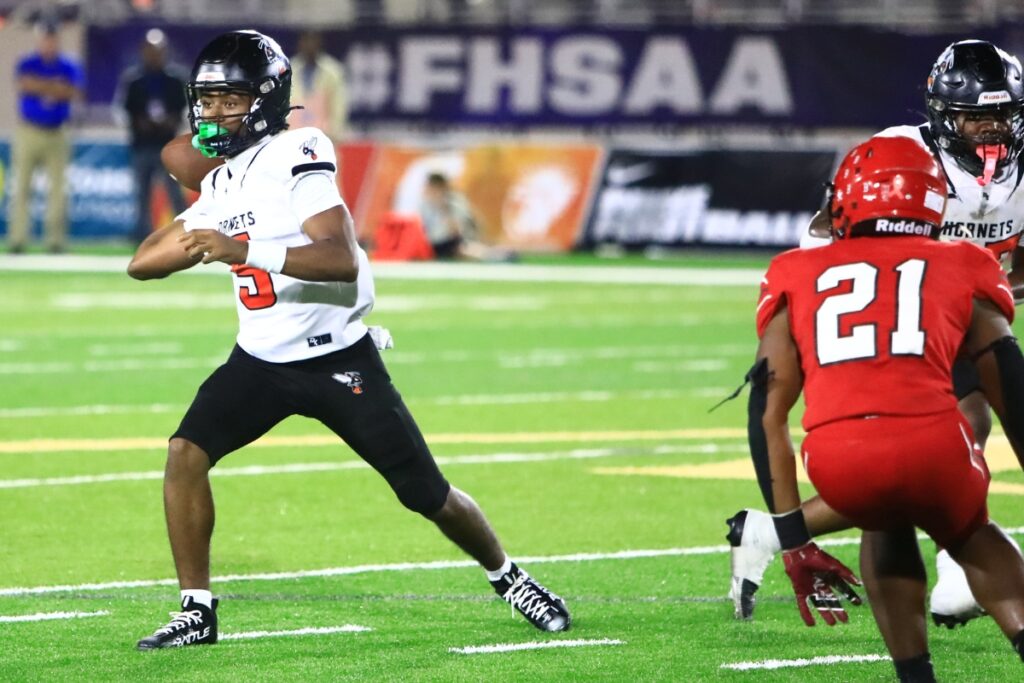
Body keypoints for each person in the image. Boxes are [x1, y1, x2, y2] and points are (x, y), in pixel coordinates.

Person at [127, 30, 570, 650]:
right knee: (184, 455)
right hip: (259, 360)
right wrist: (197, 222)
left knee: (427, 495)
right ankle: (196, 610)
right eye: (205, 100)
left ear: (267, 99)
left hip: (336, 357)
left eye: (230, 99)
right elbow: (142, 262)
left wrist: (239, 244)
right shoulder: (223, 187)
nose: (213, 113)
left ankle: (511, 577)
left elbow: (338, 259)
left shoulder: (299, 149)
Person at [728, 38, 1024, 628]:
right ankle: (953, 568)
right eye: (975, 117)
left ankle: (770, 531)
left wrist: (990, 289)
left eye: (1003, 115)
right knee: (949, 432)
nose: (991, 131)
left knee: (963, 429)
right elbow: (825, 231)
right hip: (891, 315)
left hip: (957, 310)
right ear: (942, 116)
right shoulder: (895, 152)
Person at [8, 20, 83, 254]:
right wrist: (54, 87)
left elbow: (72, 91)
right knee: (21, 188)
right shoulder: (28, 62)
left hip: (57, 131)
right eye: (45, 39)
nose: (49, 44)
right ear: (40, 41)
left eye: (52, 39)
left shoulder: (68, 65)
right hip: (29, 130)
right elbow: (24, 84)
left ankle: (55, 241)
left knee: (58, 190)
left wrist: (42, 86)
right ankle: (18, 240)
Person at [115, 28, 189, 244]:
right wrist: (141, 123)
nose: (154, 55)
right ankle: (141, 235)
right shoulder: (134, 80)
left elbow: (184, 109)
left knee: (174, 192)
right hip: (142, 144)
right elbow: (124, 110)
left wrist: (170, 121)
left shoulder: (175, 79)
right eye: (151, 50)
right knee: (141, 194)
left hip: (169, 146)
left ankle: (186, 231)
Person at [419, 172, 516, 262]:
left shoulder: (454, 201)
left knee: (464, 248)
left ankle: (498, 255)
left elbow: (459, 227)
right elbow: (423, 229)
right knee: (464, 249)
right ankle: (496, 255)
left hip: (455, 240)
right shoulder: (424, 204)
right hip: (435, 243)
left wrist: (443, 208)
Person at [289, 30, 347, 143]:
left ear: (319, 44)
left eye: (313, 42)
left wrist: (333, 133)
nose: (310, 46)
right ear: (300, 44)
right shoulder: (289, 69)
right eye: (307, 41)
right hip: (293, 135)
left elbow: (338, 107)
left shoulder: (333, 72)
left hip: (324, 136)